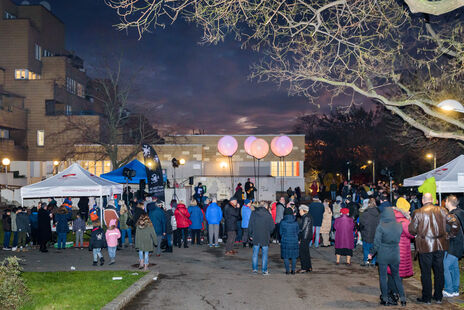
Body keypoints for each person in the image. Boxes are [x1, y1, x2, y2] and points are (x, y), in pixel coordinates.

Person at [408, 193, 459, 304]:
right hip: (440, 245)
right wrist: (449, 235)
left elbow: (411, 230)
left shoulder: (418, 212)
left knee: (426, 272)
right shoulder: (443, 210)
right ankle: (438, 296)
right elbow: (455, 224)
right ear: (433, 200)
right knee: (439, 271)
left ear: (422, 200)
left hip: (425, 246)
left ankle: (426, 298)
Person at [368, 208, 406, 306]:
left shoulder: (381, 226)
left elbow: (376, 243)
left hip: (383, 254)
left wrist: (371, 253)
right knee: (396, 276)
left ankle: (385, 299)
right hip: (395, 253)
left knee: (383, 277)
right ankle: (403, 299)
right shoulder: (399, 226)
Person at [387, 197, 414, 302]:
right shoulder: (404, 222)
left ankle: (388, 294)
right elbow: (411, 234)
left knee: (390, 273)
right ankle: (394, 295)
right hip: (400, 250)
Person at [443, 195, 464, 298]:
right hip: (459, 245)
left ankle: (449, 290)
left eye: (445, 201)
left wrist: (448, 236)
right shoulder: (461, 212)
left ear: (448, 202)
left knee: (445, 266)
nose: (444, 203)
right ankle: (455, 289)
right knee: (454, 267)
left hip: (453, 244)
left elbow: (454, 228)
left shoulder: (451, 215)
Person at [248, 201, 275, 275]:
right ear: (266, 207)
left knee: (255, 253)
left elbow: (250, 224)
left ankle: (255, 270)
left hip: (256, 236)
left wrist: (250, 235)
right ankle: (264, 270)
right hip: (265, 236)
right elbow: (272, 227)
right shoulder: (268, 214)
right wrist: (269, 233)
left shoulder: (253, 213)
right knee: (264, 254)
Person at [359, 198, 380, 266]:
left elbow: (361, 224)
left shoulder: (365, 213)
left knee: (366, 248)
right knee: (374, 248)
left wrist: (362, 230)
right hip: (376, 233)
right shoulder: (378, 213)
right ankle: (373, 262)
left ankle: (366, 261)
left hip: (366, 233)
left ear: (368, 204)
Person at [280, 208, 299, 275]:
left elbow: (280, 232)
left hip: (285, 240)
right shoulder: (296, 222)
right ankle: (293, 270)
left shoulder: (282, 222)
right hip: (294, 240)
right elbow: (297, 232)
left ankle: (287, 271)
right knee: (294, 256)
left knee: (286, 256)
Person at [297, 205, 313, 273]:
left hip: (305, 236)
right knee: (306, 252)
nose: (299, 212)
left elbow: (302, 228)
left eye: (300, 210)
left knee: (302, 252)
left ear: (303, 210)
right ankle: (308, 267)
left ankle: (304, 268)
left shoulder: (305, 217)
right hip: (308, 236)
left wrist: (299, 238)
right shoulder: (309, 216)